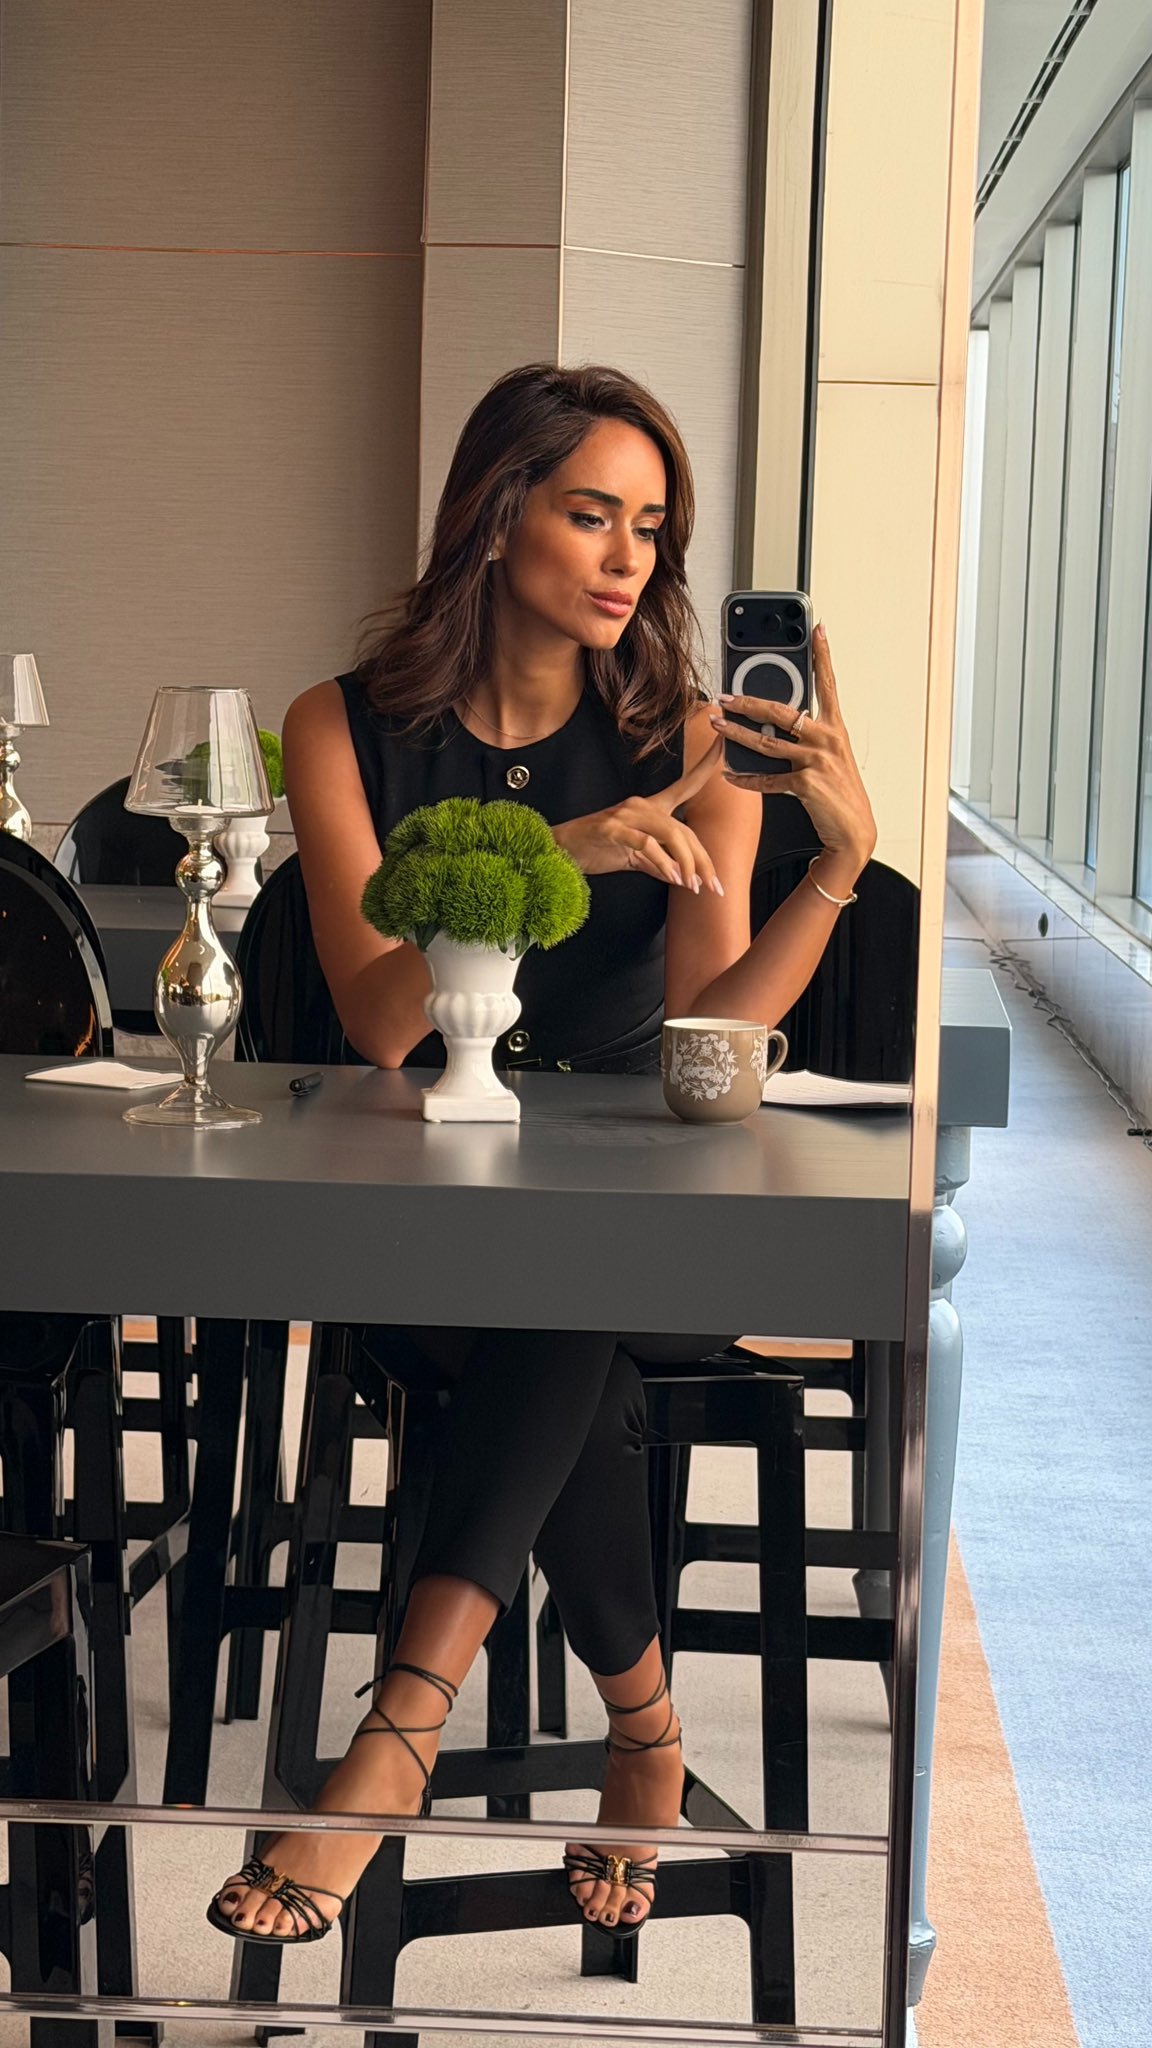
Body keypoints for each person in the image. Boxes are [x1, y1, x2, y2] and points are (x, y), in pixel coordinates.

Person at [207, 362, 875, 1948]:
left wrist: (835, 870)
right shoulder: (342, 727)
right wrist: (550, 851)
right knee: (558, 1334)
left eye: (653, 526)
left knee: (568, 1285)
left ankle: (397, 1733)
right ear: (499, 516)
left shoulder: (688, 740)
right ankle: (647, 1728)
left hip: (647, 1219)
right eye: (593, 514)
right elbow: (383, 1022)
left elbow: (709, 1048)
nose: (630, 556)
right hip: (424, 1219)